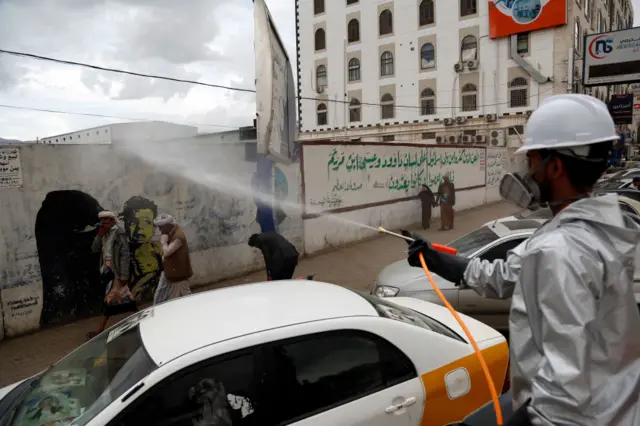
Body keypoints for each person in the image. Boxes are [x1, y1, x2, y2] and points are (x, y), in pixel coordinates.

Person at [405, 94, 640, 425]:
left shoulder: (563, 250)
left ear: (555, 167)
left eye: (531, 160)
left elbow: (566, 390)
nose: (527, 171)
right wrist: (443, 262)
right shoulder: (601, 224)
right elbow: (511, 274)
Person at [87, 210, 133, 338]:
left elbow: (125, 254)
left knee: (110, 298)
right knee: (124, 296)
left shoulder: (119, 232)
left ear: (112, 221)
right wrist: (99, 235)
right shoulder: (104, 233)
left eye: (106, 221)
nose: (103, 223)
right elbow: (94, 249)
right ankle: (138, 318)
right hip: (107, 271)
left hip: (116, 272)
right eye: (101, 221)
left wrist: (124, 275)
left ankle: (100, 329)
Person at [153, 214, 194, 304]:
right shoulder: (170, 233)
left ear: (168, 226)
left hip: (178, 275)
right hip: (169, 273)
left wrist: (163, 242)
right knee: (160, 297)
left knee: (186, 300)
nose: (160, 230)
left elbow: (167, 252)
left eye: (161, 227)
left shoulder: (178, 236)